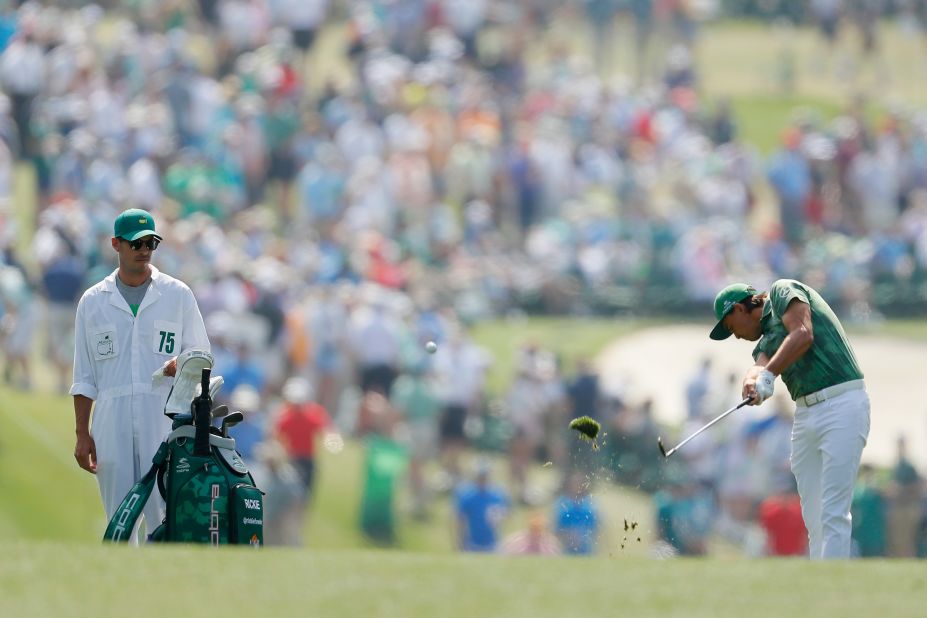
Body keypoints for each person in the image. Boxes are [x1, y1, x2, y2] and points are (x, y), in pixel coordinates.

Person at [70, 208, 210, 542]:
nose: (144, 249)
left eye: (151, 242)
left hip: (163, 416)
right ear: (116, 244)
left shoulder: (177, 294)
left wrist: (183, 362)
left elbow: (202, 356)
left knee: (164, 513)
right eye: (136, 243)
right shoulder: (93, 302)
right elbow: (84, 376)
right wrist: (81, 433)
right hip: (110, 418)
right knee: (119, 516)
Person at [709, 280, 870, 559]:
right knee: (813, 512)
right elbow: (758, 364)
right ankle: (823, 579)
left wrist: (769, 374)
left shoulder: (783, 292)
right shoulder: (769, 337)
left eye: (731, 327)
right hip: (806, 414)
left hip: (842, 403)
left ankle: (833, 585)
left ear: (739, 308)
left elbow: (803, 333)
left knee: (833, 509)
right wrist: (752, 380)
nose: (734, 336)